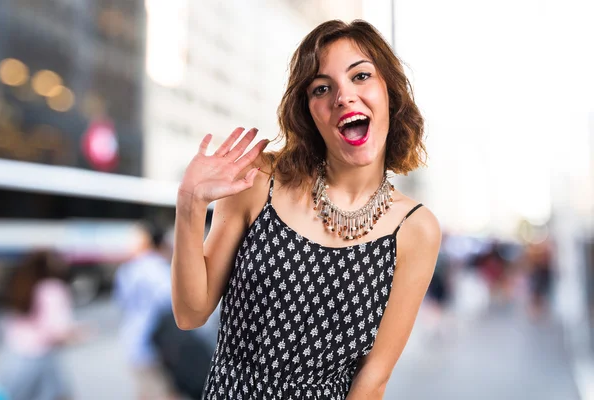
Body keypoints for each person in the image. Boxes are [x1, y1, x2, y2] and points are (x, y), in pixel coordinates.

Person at [171, 19, 441, 399]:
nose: (343, 96)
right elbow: (190, 313)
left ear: (390, 93)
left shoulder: (417, 229)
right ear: (310, 112)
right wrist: (190, 203)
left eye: (360, 76)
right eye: (322, 87)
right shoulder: (259, 179)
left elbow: (374, 378)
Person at [0, 250, 88, 400]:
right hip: (41, 360)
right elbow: (58, 331)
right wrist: (80, 333)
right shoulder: (52, 288)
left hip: (13, 358)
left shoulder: (19, 284)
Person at [113, 222, 176, 400]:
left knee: (146, 391)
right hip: (158, 344)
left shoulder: (127, 269)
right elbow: (170, 304)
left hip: (135, 340)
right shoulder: (159, 268)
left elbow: (122, 302)